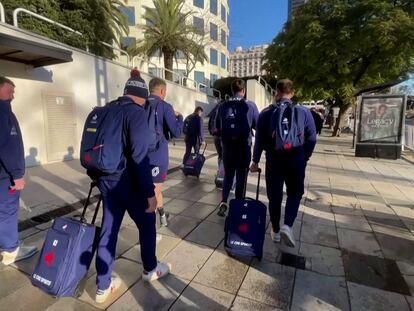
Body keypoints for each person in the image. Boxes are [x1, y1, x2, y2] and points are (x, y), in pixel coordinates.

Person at [91, 71, 170, 304]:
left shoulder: (106, 110)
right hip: (130, 184)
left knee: (109, 230)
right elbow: (140, 158)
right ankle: (150, 269)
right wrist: (149, 194)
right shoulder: (136, 115)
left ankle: (102, 286)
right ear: (142, 97)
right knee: (147, 224)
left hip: (107, 182)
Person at [250, 79, 317, 247]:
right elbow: (312, 138)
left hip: (274, 160)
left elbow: (258, 140)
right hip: (296, 159)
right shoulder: (304, 112)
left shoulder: (266, 113)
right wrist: (305, 157)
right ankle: (288, 225)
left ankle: (275, 230)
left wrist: (255, 161)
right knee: (295, 193)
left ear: (276, 93)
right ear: (292, 93)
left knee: (274, 196)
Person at [0, 76, 37, 265]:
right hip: (5, 176)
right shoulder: (2, 113)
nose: (13, 96)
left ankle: (7, 243)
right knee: (6, 211)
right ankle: (11, 251)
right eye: (9, 91)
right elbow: (7, 147)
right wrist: (16, 174)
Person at [216, 79, 259, 217]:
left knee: (228, 176)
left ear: (231, 89)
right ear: (244, 90)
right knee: (241, 177)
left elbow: (217, 126)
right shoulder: (250, 105)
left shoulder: (223, 106)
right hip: (243, 148)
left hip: (228, 147)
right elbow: (257, 125)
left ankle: (223, 202)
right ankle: (238, 206)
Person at [146, 78, 183, 227]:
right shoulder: (165, 106)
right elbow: (177, 132)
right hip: (157, 156)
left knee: (154, 189)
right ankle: (149, 232)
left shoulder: (140, 104)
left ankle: (162, 216)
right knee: (154, 193)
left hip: (141, 155)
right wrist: (180, 117)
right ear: (162, 91)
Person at [208, 99, 223, 164]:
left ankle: (220, 171)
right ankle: (223, 172)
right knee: (224, 155)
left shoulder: (214, 111)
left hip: (216, 136)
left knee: (220, 155)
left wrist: (211, 132)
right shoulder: (224, 110)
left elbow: (209, 123)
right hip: (222, 135)